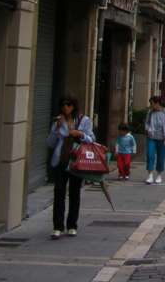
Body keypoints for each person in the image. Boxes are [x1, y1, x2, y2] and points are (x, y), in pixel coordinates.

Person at [46, 95, 94, 238]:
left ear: (74, 106)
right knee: (59, 192)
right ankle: (57, 226)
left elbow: (92, 139)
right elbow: (49, 143)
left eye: (68, 105)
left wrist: (80, 134)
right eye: (63, 105)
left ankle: (72, 225)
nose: (65, 108)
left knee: (74, 193)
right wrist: (56, 129)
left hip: (77, 161)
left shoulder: (83, 120)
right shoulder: (57, 122)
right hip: (61, 160)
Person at [144, 95, 165, 185]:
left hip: (162, 139)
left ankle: (159, 175)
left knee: (161, 157)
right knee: (150, 155)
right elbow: (147, 123)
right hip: (151, 137)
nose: (151, 105)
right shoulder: (150, 112)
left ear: (157, 103)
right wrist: (148, 129)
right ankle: (150, 175)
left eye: (151, 103)